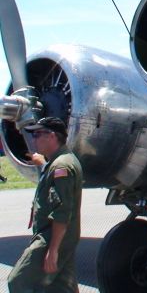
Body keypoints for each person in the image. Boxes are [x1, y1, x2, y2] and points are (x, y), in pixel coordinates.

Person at [8, 117, 83, 293]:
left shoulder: (61, 166)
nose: (33, 139)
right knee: (61, 288)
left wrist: (53, 249)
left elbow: (62, 212)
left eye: (37, 134)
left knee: (19, 281)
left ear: (51, 136)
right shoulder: (60, 162)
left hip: (51, 236)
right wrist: (43, 164)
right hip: (60, 235)